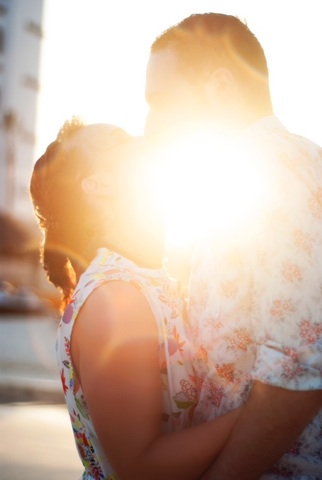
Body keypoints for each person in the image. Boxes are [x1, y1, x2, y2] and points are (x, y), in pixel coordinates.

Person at [144, 13, 322, 479]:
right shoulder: (260, 170)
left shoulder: (273, 169)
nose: (150, 123)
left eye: (161, 101)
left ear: (220, 87)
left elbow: (299, 373)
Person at [29, 117, 241, 480]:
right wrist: (268, 408)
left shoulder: (146, 281)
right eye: (121, 141)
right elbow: (141, 467)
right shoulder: (116, 299)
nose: (144, 138)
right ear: (98, 185)